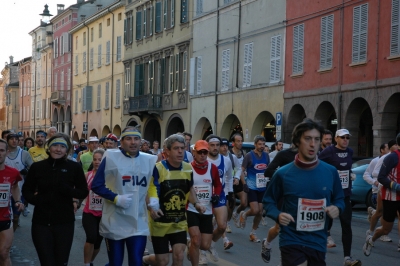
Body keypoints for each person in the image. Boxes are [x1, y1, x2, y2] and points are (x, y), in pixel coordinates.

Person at [263, 119, 345, 266]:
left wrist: (337, 208)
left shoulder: (330, 172)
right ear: (297, 142)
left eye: (317, 139)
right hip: (291, 238)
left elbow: (340, 199)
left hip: (318, 240)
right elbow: (268, 201)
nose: (313, 144)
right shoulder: (283, 173)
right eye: (307, 139)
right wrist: (278, 214)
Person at [91, 127, 158, 266]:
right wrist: (115, 198)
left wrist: (154, 200)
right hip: (115, 220)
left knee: (136, 262)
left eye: (136, 139)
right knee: (115, 263)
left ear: (141, 141)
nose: (133, 142)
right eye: (128, 138)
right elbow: (96, 185)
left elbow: (153, 184)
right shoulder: (110, 157)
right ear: (121, 141)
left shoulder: (149, 160)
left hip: (138, 220)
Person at [22, 133, 89, 266]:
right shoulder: (37, 167)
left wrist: (68, 191)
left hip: (64, 223)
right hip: (41, 223)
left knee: (61, 262)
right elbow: (26, 190)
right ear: (49, 148)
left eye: (62, 147)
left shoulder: (74, 167)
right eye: (55, 146)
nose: (58, 149)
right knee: (46, 262)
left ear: (67, 150)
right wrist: (37, 201)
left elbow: (83, 191)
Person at [147, 134, 204, 266]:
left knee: (179, 257)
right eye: (176, 148)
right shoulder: (158, 168)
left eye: (182, 148)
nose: (180, 151)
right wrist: (151, 207)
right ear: (167, 151)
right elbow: (150, 191)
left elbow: (189, 190)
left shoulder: (188, 168)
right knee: (162, 261)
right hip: (160, 222)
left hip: (179, 221)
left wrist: (196, 203)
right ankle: (146, 260)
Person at [319, 129, 361, 266]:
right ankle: (317, 254)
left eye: (348, 137)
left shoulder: (350, 151)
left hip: (344, 194)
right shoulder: (328, 151)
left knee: (346, 225)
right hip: (330, 194)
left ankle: (347, 258)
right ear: (336, 138)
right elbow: (317, 165)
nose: (345, 140)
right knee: (325, 223)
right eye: (343, 137)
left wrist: (349, 174)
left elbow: (347, 167)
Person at [363, 133, 400, 256]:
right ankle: (371, 239)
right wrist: (396, 186)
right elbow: (381, 177)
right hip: (391, 196)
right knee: (386, 229)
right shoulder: (391, 157)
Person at [187, 140, 223, 265]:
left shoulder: (212, 168)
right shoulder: (188, 168)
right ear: (194, 152)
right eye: (200, 152)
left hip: (207, 210)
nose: (202, 155)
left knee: (205, 245)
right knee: (196, 240)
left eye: (205, 152)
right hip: (191, 209)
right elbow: (185, 188)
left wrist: (216, 195)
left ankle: (190, 245)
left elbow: (218, 185)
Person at [261, 143, 298, 263]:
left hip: (302, 198)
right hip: (285, 196)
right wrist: (286, 176)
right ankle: (267, 244)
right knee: (279, 228)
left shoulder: (312, 157)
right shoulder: (284, 154)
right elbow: (268, 171)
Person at [201, 134, 233, 262]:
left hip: (219, 195)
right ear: (207, 146)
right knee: (205, 228)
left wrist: (230, 193)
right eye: (212, 145)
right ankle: (202, 253)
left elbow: (229, 177)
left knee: (222, 226)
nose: (215, 148)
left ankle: (211, 244)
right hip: (203, 196)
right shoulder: (203, 159)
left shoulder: (226, 160)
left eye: (217, 145)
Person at [237, 135, 270, 244]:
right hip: (251, 186)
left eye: (263, 144)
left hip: (262, 187)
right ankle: (245, 214)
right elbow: (241, 170)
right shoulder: (249, 156)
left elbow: (268, 169)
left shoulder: (266, 155)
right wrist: (244, 183)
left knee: (260, 212)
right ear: (255, 144)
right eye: (259, 144)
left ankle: (253, 233)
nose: (261, 146)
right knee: (255, 210)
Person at [0, 138, 24, 266]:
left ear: (7, 153)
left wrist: (18, 200)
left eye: (1, 150)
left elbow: (15, 186)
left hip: (5, 218)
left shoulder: (13, 172)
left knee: (4, 253)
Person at [5, 133, 33, 227]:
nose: (14, 141)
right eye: (11, 139)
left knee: (16, 216)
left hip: (19, 189)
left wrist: (26, 171)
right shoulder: (2, 153)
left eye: (16, 139)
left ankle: (12, 231)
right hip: (4, 189)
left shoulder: (24, 154)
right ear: (7, 140)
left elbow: (32, 168)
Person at [82, 149, 105, 266]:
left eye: (100, 160)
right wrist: (75, 202)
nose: (97, 162)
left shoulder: (109, 177)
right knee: (91, 237)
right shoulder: (88, 175)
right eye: (95, 159)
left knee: (97, 242)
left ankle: (90, 261)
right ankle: (86, 264)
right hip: (89, 212)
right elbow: (81, 192)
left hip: (104, 214)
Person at [219, 138, 241, 241]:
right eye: (222, 146)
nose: (224, 148)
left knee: (230, 207)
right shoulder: (215, 158)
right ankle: (224, 226)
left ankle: (226, 221)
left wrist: (236, 177)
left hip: (229, 185)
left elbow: (238, 168)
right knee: (223, 207)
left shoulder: (232, 157)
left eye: (226, 146)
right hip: (218, 187)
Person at [230, 134, 248, 231]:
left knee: (244, 203)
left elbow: (246, 166)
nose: (240, 143)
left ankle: (236, 214)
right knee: (231, 204)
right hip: (231, 181)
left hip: (241, 180)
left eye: (241, 141)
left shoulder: (244, 153)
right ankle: (226, 223)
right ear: (233, 143)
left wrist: (245, 171)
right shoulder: (229, 154)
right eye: (238, 141)